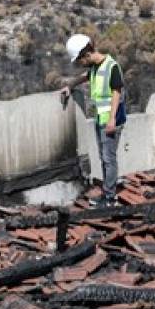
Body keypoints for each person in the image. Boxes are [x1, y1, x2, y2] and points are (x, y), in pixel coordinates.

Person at [59, 33, 126, 207]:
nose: (80, 64)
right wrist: (71, 85)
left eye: (80, 61)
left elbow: (116, 93)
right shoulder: (96, 67)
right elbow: (85, 76)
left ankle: (110, 198)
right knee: (104, 158)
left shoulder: (111, 66)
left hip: (111, 120)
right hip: (100, 119)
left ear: (86, 54)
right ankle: (107, 193)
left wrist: (111, 120)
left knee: (109, 158)